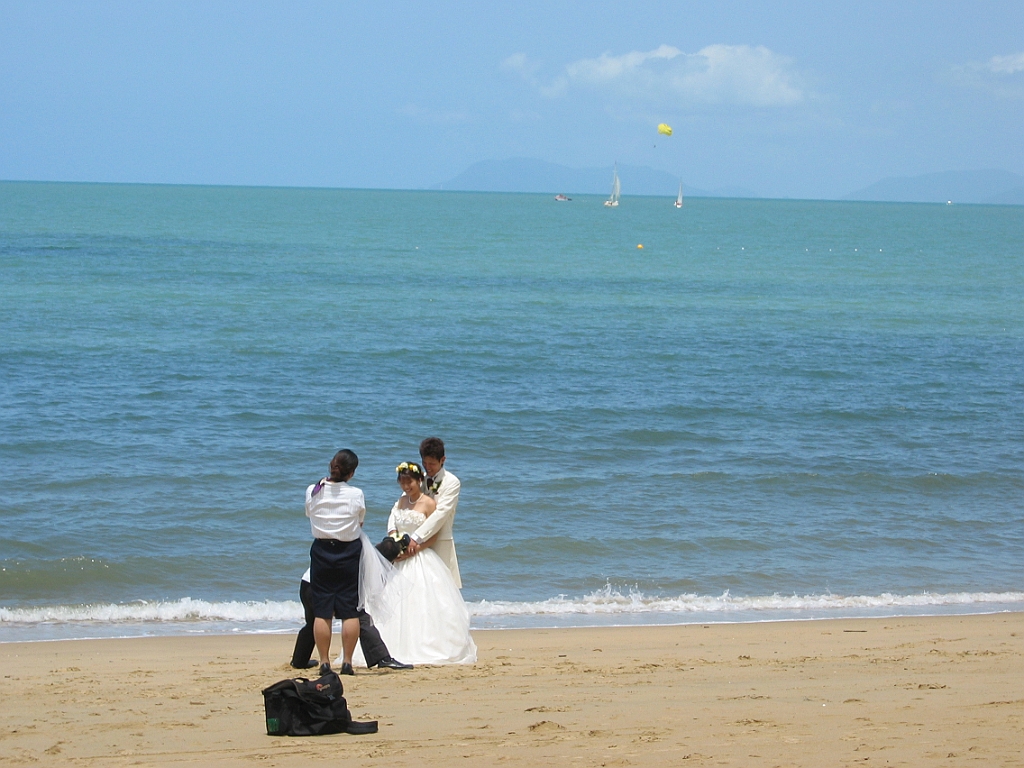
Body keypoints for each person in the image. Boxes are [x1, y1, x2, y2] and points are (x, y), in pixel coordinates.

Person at [368, 458, 476, 664]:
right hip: (399, 558)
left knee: (423, 603)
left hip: (420, 558)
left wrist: (415, 548)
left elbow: (434, 534)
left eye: (409, 482)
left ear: (419, 480)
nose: (406, 486)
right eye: (402, 482)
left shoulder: (428, 503)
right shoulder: (401, 501)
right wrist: (395, 545)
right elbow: (393, 524)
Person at [305, 449, 365, 676]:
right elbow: (360, 521)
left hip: (322, 550)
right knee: (350, 610)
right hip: (348, 551)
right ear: (351, 473)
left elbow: (309, 514)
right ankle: (347, 661)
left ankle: (324, 661)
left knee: (322, 610)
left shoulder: (313, 490)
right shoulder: (356, 494)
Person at [290, 568, 412, 671]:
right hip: (332, 584)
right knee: (359, 618)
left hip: (308, 582)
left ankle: (299, 660)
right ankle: (382, 658)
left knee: (313, 622)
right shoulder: (356, 550)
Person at [403, 437, 462, 587]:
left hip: (439, 541)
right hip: (415, 543)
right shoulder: (418, 479)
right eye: (425, 463)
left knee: (441, 587)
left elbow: (441, 514)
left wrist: (416, 538)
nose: (427, 467)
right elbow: (403, 502)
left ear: (443, 460)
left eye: (432, 464)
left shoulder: (452, 482)